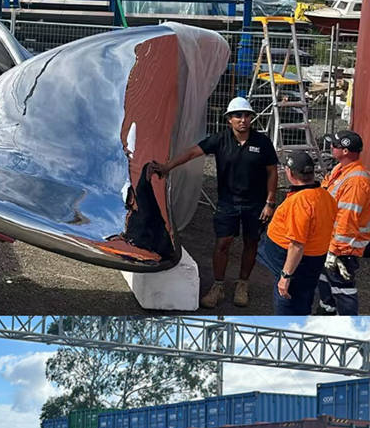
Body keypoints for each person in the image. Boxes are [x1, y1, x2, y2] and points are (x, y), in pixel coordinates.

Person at [150, 96, 278, 308]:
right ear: (229, 119)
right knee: (222, 243)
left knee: (251, 242)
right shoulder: (220, 140)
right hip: (227, 202)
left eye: (247, 115)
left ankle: (242, 285)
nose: (243, 120)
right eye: (238, 116)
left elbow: (272, 171)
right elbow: (192, 152)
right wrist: (167, 167)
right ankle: (218, 286)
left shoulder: (262, 143)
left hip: (255, 204)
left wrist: (270, 201)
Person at [258, 151, 337, 315]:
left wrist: (286, 276)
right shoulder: (325, 196)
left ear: (290, 173)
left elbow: (297, 246)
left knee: (287, 300)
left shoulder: (301, 202)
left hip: (295, 262)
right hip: (313, 259)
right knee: (303, 297)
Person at [317, 130, 370, 315]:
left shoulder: (356, 181)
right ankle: (327, 312)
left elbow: (347, 220)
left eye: (335, 145)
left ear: (346, 151)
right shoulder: (339, 170)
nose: (331, 147)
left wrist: (335, 251)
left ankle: (348, 324)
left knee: (342, 287)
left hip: (344, 247)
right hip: (330, 241)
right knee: (325, 280)